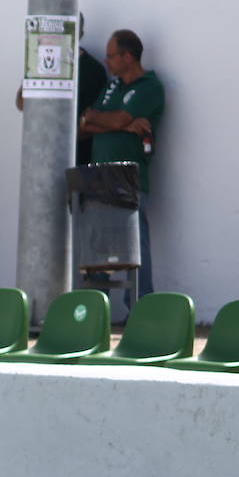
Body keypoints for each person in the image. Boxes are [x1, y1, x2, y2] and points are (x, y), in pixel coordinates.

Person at [80, 29, 164, 297]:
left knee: (135, 246)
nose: (107, 62)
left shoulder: (150, 86)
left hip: (130, 177)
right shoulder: (111, 86)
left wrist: (107, 121)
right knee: (96, 247)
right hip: (98, 175)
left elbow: (107, 119)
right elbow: (83, 125)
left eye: (111, 56)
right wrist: (125, 126)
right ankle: (95, 307)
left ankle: (141, 309)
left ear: (128, 57)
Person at [15, 14, 109, 167]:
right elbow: (21, 104)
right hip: (41, 158)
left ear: (78, 33)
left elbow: (95, 122)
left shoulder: (93, 70)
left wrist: (61, 140)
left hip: (77, 162)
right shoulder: (41, 63)